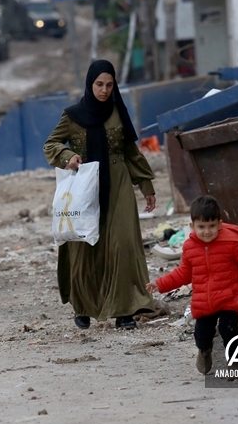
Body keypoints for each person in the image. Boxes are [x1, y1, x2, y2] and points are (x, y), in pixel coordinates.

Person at [43, 60, 157, 329]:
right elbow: (51, 144)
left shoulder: (118, 112)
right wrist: (68, 156)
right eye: (99, 84)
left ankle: (124, 309)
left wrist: (146, 186)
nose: (104, 90)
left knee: (122, 244)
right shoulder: (72, 115)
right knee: (84, 246)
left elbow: (130, 151)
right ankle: (83, 306)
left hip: (118, 183)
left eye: (109, 85)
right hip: (84, 185)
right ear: (90, 84)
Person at [146, 195, 238, 374]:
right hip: (204, 302)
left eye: (212, 226)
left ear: (220, 224)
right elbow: (183, 273)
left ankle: (234, 363)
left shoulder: (232, 243)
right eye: (201, 227)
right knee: (202, 336)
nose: (207, 231)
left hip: (229, 297)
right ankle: (205, 351)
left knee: (229, 331)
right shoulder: (190, 247)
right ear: (192, 226)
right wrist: (160, 284)